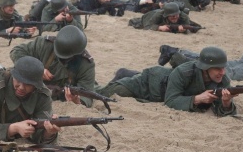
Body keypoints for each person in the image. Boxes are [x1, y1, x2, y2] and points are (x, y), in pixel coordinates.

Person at [99, 47, 236, 116]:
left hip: (166, 85)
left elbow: (223, 112)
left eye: (223, 68)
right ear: (205, 68)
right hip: (148, 82)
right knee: (107, 93)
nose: (222, 72)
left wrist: (226, 102)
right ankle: (123, 74)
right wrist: (197, 99)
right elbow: (170, 101)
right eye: (217, 69)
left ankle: (125, 73)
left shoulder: (222, 79)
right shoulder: (184, 71)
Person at [0, 56, 60, 143]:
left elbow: (40, 134)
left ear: (36, 85)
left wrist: (48, 133)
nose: (21, 87)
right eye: (18, 80)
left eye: (27, 84)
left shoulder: (43, 95)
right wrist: (13, 128)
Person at [10, 26, 95, 108]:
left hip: (58, 97)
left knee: (96, 89)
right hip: (31, 86)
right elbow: (17, 51)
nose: (63, 60)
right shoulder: (44, 44)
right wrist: (37, 69)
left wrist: (78, 101)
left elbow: (88, 94)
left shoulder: (86, 64)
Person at [128, 2, 198, 33]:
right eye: (173, 16)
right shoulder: (159, 15)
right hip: (149, 16)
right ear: (166, 16)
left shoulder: (183, 16)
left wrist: (184, 30)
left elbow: (188, 28)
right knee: (135, 23)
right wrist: (159, 28)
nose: (175, 17)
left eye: (177, 15)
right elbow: (148, 26)